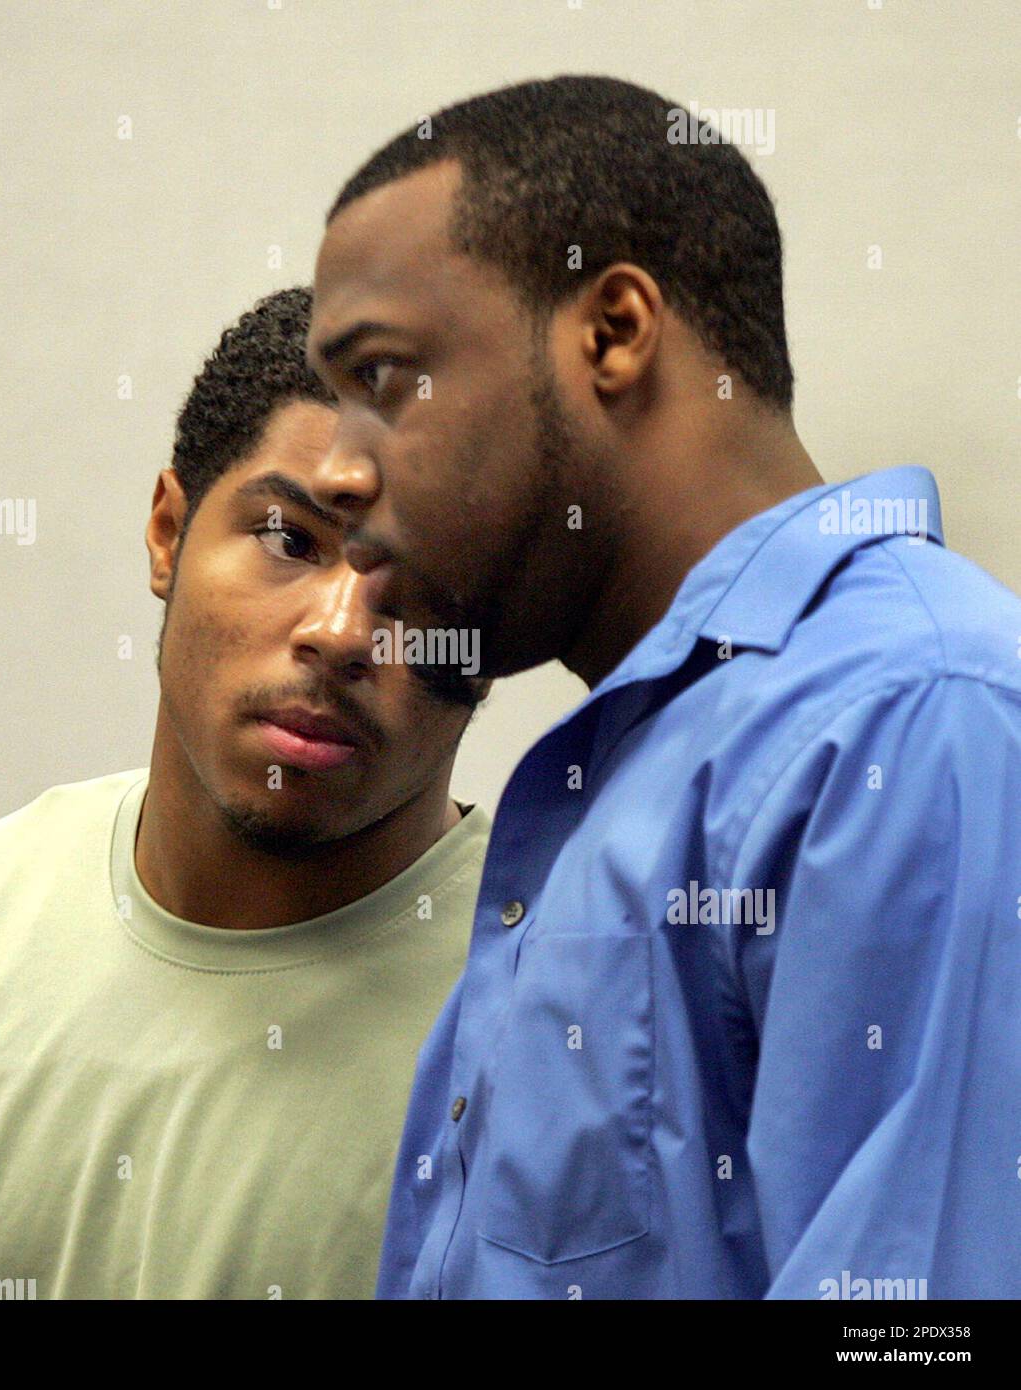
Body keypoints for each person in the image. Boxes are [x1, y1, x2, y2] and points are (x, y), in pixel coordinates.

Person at [304, 76, 1021, 1299]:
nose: (334, 467)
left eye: (381, 380)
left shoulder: (910, 713)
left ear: (614, 331)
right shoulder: (619, 772)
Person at [0, 287, 492, 1300]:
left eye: (422, 589)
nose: (342, 631)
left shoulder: (575, 1031)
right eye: (288, 538)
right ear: (166, 531)